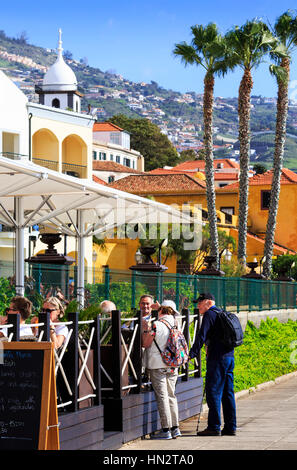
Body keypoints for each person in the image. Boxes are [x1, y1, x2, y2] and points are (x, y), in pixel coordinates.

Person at [189, 292, 237, 436]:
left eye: (200, 302)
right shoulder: (222, 313)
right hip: (229, 358)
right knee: (228, 393)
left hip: (217, 359)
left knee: (213, 392)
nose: (198, 306)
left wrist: (192, 354)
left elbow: (201, 336)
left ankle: (214, 427)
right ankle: (230, 427)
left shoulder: (210, 315)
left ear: (208, 302)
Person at [142, 304, 181, 440]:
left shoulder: (156, 325)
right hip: (173, 364)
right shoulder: (176, 323)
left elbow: (145, 344)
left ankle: (166, 430)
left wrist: (145, 329)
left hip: (157, 364)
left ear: (160, 311)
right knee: (171, 395)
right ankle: (175, 428)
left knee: (162, 397)